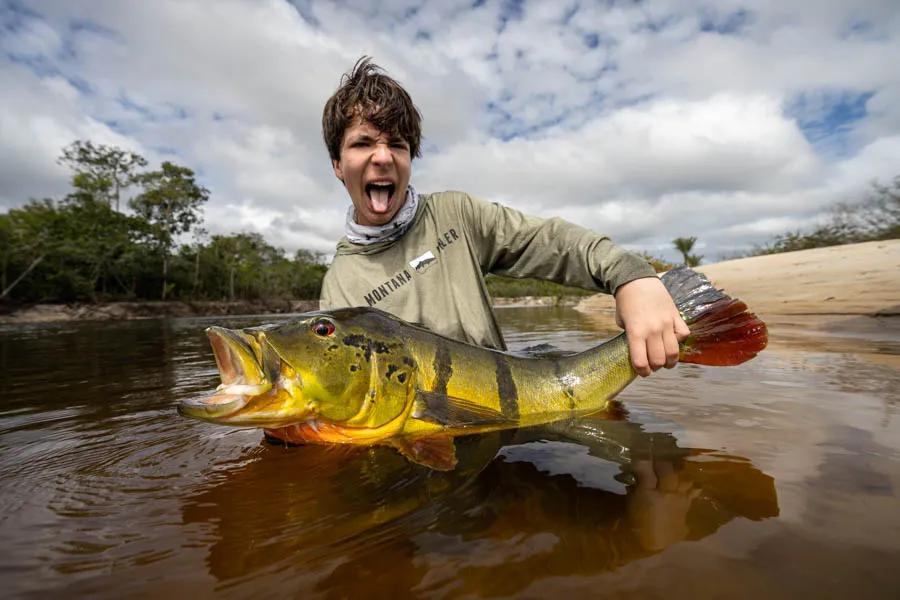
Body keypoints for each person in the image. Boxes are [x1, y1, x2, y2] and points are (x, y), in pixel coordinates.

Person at [319, 57, 689, 377]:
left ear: (409, 159)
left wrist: (632, 278)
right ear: (337, 164)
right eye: (363, 143)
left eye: (397, 145)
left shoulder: (455, 215)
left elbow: (553, 243)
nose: (383, 157)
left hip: (507, 430)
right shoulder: (339, 286)